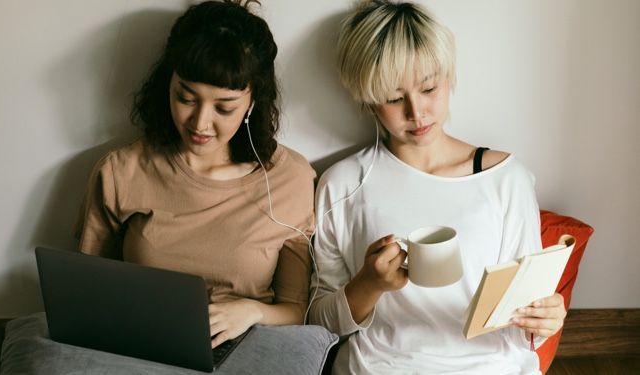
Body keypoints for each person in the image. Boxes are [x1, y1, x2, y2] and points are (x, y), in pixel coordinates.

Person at [308, 1, 566, 373]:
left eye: (429, 88)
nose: (417, 112)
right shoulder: (343, 184)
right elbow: (320, 326)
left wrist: (543, 320)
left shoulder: (507, 179)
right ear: (367, 100)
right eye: (395, 98)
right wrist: (369, 283)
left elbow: (523, 324)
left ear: (448, 77)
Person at [74, 0, 315, 350]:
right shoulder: (122, 171)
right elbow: (86, 290)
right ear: (167, 85)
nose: (200, 123)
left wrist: (250, 312)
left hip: (247, 348)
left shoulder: (289, 179)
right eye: (186, 98)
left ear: (252, 102)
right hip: (140, 345)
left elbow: (297, 311)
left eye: (224, 107)